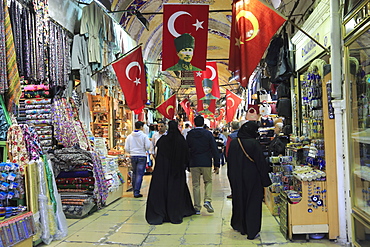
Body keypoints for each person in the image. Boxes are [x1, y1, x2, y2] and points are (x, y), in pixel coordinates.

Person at [145, 121, 196, 225]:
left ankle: (162, 212)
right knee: (176, 191)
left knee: (163, 191)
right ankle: (176, 212)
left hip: (163, 171)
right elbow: (186, 154)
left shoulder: (163, 140)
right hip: (177, 172)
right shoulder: (181, 140)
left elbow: (158, 154)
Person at [227, 121, 271, 239]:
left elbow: (229, 161)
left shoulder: (235, 143)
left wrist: (231, 178)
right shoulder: (254, 143)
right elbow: (261, 164)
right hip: (252, 178)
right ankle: (251, 230)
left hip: (237, 178)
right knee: (252, 202)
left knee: (239, 200)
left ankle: (239, 225)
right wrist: (266, 181)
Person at [187, 115, 220, 214]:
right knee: (208, 181)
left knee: (195, 184)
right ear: (203, 123)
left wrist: (187, 163)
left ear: (194, 123)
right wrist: (217, 163)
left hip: (194, 162)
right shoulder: (208, 134)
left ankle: (197, 207)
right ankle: (207, 200)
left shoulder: (190, 134)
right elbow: (214, 149)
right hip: (206, 161)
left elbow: (186, 149)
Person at [125, 121, 152, 198]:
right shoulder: (144, 136)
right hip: (142, 156)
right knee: (139, 174)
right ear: (141, 127)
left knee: (134, 173)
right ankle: (137, 192)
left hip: (133, 156)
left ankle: (134, 190)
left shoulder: (129, 136)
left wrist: (132, 151)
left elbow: (126, 148)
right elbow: (147, 146)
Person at [225, 121, 240, 199]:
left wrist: (228, 159)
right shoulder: (242, 135)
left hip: (233, 159)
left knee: (232, 176)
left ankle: (234, 192)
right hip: (242, 159)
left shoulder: (231, 136)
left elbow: (228, 149)